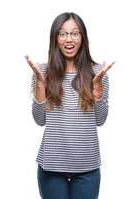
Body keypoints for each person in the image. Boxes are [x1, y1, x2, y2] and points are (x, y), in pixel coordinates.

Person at [27, 12, 114, 199]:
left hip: (87, 168)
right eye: (62, 33)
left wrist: (96, 87)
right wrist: (41, 83)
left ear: (83, 38)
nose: (69, 39)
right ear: (55, 38)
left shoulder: (97, 72)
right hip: (51, 166)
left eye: (75, 33)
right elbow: (39, 120)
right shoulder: (43, 71)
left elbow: (100, 120)